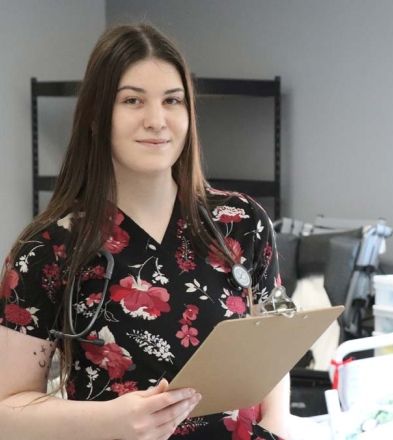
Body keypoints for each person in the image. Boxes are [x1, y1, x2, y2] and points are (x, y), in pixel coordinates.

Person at [0, 23, 290, 440]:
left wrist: (276, 423)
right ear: (98, 118)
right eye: (133, 100)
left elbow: (274, 339)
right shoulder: (48, 248)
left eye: (172, 101)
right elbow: (8, 411)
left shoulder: (241, 222)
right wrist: (110, 422)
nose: (157, 120)